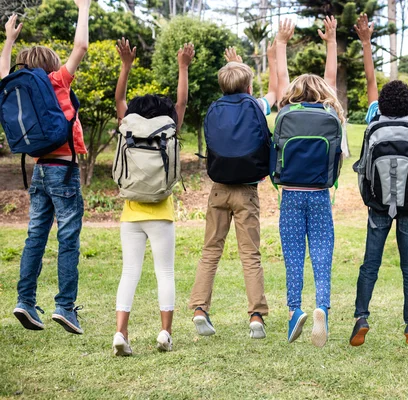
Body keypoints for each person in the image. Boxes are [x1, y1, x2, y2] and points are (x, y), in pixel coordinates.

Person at [1, 1, 90, 334]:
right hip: (64, 170)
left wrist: (9, 40)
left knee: (34, 237)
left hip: (38, 171)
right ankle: (65, 307)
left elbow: (2, 73)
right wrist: (84, 7)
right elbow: (80, 46)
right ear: (52, 65)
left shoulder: (18, 87)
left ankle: (25, 301)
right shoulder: (57, 81)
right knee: (68, 239)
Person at [188, 42, 278, 340]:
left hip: (219, 188)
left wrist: (235, 67)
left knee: (211, 250)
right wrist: (272, 55)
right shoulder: (256, 105)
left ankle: (200, 308)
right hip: (247, 191)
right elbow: (274, 96)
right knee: (250, 254)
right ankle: (256, 316)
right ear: (249, 85)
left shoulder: (216, 107)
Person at [350, 14, 408, 347]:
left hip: (378, 202)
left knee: (371, 263)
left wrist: (366, 42)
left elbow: (370, 79)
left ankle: (361, 317)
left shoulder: (373, 116)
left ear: (381, 102)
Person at [111, 38, 194, 355]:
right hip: (161, 212)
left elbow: (119, 98)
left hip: (131, 214)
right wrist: (182, 67)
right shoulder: (169, 126)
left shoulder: (127, 126)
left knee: (129, 273)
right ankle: (164, 333)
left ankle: (121, 334)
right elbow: (182, 103)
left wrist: (126, 66)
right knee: (165, 273)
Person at [275, 17, 346, 348]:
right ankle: (322, 309)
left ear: (294, 93)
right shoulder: (331, 117)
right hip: (320, 195)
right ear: (324, 93)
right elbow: (329, 79)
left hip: (290, 195)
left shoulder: (286, 113)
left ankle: (294, 311)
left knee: (293, 257)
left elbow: (282, 81)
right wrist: (331, 42)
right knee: (322, 255)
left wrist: (281, 45)